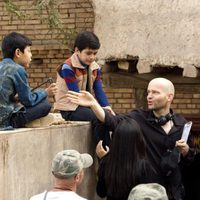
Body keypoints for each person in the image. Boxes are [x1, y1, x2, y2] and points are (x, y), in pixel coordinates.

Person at [66, 77, 195, 200]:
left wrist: (186, 151)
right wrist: (94, 104)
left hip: (174, 193)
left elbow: (191, 160)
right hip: (147, 193)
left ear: (169, 97)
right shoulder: (138, 118)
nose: (149, 96)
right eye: (148, 92)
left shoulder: (182, 124)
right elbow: (113, 121)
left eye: (155, 92)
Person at [0, 32, 57, 130]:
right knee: (45, 105)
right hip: (6, 121)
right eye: (29, 51)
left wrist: (15, 99)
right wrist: (45, 92)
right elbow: (28, 101)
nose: (31, 55)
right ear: (18, 52)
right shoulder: (17, 69)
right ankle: (22, 123)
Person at [54, 31, 114, 122]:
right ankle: (98, 137)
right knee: (99, 116)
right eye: (88, 53)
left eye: (95, 53)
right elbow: (76, 95)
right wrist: (98, 109)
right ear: (77, 50)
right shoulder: (67, 67)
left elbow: (99, 90)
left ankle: (103, 136)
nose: (92, 57)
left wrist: (107, 107)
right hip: (69, 109)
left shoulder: (95, 67)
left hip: (85, 105)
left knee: (108, 116)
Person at [96, 118, 157, 200]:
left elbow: (101, 192)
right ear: (138, 139)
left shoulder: (106, 163)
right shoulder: (145, 167)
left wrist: (103, 160)